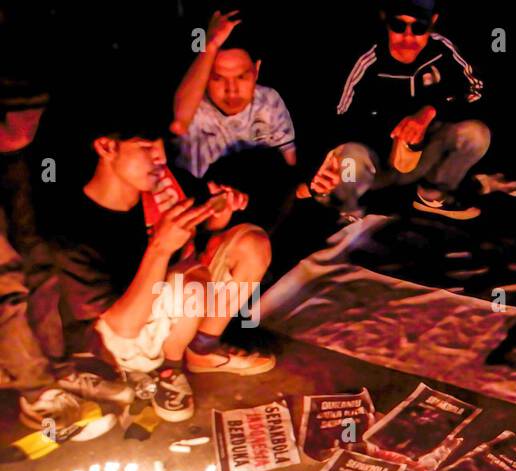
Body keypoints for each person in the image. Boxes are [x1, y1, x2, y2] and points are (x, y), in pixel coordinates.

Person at [50, 97, 275, 425]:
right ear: (106, 147)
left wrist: (220, 212)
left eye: (160, 144)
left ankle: (201, 348)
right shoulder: (71, 230)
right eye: (145, 146)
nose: (160, 156)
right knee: (188, 286)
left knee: (251, 242)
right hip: (127, 335)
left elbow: (204, 229)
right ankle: (167, 369)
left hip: (176, 301)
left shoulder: (164, 183)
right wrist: (159, 247)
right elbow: (122, 327)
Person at [1, 69, 121, 443]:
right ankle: (38, 394)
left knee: (36, 256)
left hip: (10, 155)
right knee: (4, 281)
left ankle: (57, 369)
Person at [326, 0, 489, 220]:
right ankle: (348, 212)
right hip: (375, 167)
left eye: (419, 27)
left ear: (433, 22)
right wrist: (391, 125)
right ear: (385, 20)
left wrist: (431, 111)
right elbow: (336, 119)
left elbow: (476, 89)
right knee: (347, 157)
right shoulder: (366, 59)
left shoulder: (442, 48)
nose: (408, 37)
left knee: (475, 134)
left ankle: (432, 196)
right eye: (399, 25)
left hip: (424, 159)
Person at [171, 9, 300, 228]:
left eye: (241, 77)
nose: (231, 90)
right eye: (218, 78)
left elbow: (290, 168)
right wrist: (209, 45)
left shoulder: (268, 100)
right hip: (203, 216)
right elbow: (179, 122)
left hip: (263, 214)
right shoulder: (193, 107)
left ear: (256, 70)